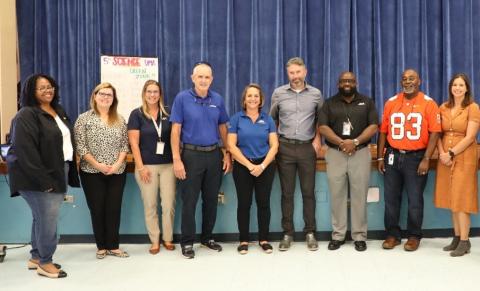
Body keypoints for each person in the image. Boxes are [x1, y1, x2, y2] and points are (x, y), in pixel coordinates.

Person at [6, 74, 80, 278]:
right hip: (38, 177)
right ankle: (45, 262)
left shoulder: (58, 110)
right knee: (48, 220)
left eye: (50, 86)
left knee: (40, 218)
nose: (48, 90)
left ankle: (36, 256)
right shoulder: (26, 115)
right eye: (42, 88)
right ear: (31, 91)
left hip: (58, 170)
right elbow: (25, 152)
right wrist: (45, 182)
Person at [170, 62, 232, 259]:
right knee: (189, 202)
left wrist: (227, 152)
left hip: (214, 155)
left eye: (207, 77)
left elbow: (223, 127)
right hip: (190, 156)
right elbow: (175, 131)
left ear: (212, 79)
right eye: (200, 76)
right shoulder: (182, 98)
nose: (204, 80)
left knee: (211, 200)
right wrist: (177, 160)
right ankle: (187, 243)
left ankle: (207, 238)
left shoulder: (218, 99)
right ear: (192, 78)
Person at [377, 69, 441, 251]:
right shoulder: (391, 102)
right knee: (391, 199)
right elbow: (383, 131)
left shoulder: (428, 103)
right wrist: (380, 156)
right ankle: (392, 235)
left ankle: (414, 236)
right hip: (392, 155)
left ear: (419, 81)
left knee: (414, 200)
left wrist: (427, 158)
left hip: (416, 157)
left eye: (411, 78)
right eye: (404, 79)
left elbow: (435, 132)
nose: (407, 82)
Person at [319, 72, 378, 252]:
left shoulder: (367, 102)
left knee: (359, 196)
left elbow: (374, 126)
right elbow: (322, 127)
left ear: (356, 83)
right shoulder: (329, 103)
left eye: (350, 81)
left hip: (360, 153)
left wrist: (355, 142)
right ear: (338, 84)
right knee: (337, 196)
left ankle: (359, 236)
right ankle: (338, 235)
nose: (347, 83)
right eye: (344, 81)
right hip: (335, 153)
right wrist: (341, 142)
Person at [270, 57, 323, 251]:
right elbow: (272, 121)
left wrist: (318, 140)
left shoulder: (316, 94)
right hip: (284, 148)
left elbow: (321, 120)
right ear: (288, 74)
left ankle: (310, 232)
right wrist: (274, 144)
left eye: (298, 72)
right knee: (287, 193)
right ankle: (288, 233)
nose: (295, 76)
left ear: (305, 72)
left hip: (307, 148)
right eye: (291, 73)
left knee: (309, 192)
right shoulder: (279, 93)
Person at [74, 82, 130, 259]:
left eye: (109, 95)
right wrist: (98, 165)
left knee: (114, 209)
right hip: (91, 172)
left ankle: (113, 246)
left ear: (114, 99)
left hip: (117, 172)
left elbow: (124, 146)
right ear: (95, 96)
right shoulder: (84, 119)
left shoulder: (120, 119)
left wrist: (115, 165)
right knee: (97, 209)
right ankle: (101, 246)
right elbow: (81, 147)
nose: (106, 97)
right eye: (102, 94)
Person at [227, 83, 279, 255]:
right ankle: (244, 240)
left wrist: (262, 165)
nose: (252, 99)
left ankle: (264, 239)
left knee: (263, 203)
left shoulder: (268, 119)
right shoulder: (236, 119)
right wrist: (250, 166)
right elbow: (231, 146)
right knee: (244, 204)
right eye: (249, 96)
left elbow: (274, 146)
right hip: (243, 167)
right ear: (244, 99)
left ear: (261, 99)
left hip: (265, 166)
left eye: (256, 96)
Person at [128, 80, 176, 254]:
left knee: (169, 204)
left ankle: (168, 238)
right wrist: (140, 167)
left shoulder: (169, 112)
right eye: (149, 91)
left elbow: (176, 136)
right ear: (144, 93)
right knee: (150, 204)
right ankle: (154, 240)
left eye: (156, 91)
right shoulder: (137, 114)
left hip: (168, 166)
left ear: (160, 94)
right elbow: (133, 143)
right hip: (146, 166)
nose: (152, 95)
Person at [434, 73, 480, 257]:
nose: (458, 88)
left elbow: (470, 137)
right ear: (450, 88)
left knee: (462, 198)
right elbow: (437, 133)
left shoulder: (473, 108)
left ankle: (465, 241)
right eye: (455, 85)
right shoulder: (443, 107)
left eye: (461, 85)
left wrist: (452, 153)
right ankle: (457, 236)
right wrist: (443, 154)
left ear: (467, 88)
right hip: (445, 156)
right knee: (451, 198)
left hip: (464, 156)